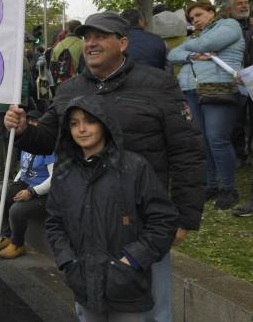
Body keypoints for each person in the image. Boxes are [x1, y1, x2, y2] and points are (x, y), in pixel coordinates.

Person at [5, 11, 205, 322]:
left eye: (101, 36)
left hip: (145, 223)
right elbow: (47, 138)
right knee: (90, 307)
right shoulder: (70, 90)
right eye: (87, 37)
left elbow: (187, 152)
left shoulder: (158, 85)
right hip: (88, 223)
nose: (91, 43)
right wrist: (22, 130)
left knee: (153, 311)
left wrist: (185, 216)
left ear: (123, 43)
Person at [46, 96, 178, 322]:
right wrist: (68, 260)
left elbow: (163, 220)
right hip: (84, 284)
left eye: (89, 121)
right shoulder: (64, 172)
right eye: (74, 123)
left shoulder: (134, 167)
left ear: (105, 123)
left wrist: (132, 260)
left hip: (127, 287)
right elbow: (54, 222)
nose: (82, 129)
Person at [168, 1, 244, 210]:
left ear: (212, 12)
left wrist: (193, 45)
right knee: (202, 141)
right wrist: (193, 55)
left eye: (199, 15)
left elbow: (205, 45)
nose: (196, 21)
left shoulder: (229, 25)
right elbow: (172, 55)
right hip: (192, 90)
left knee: (217, 139)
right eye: (192, 19)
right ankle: (211, 185)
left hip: (219, 88)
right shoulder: (197, 36)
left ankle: (228, 188)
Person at [0, 110, 53, 259]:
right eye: (28, 121)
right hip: (26, 184)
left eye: (34, 122)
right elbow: (24, 168)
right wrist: (15, 183)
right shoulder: (27, 142)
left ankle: (18, 244)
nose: (30, 124)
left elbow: (55, 178)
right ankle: (6, 235)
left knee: (17, 210)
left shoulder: (49, 147)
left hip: (45, 193)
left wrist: (31, 191)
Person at [227, 0, 253, 166]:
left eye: (246, 2)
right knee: (236, 119)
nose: (244, 6)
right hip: (234, 78)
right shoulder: (224, 27)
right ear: (230, 8)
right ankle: (239, 155)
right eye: (239, 3)